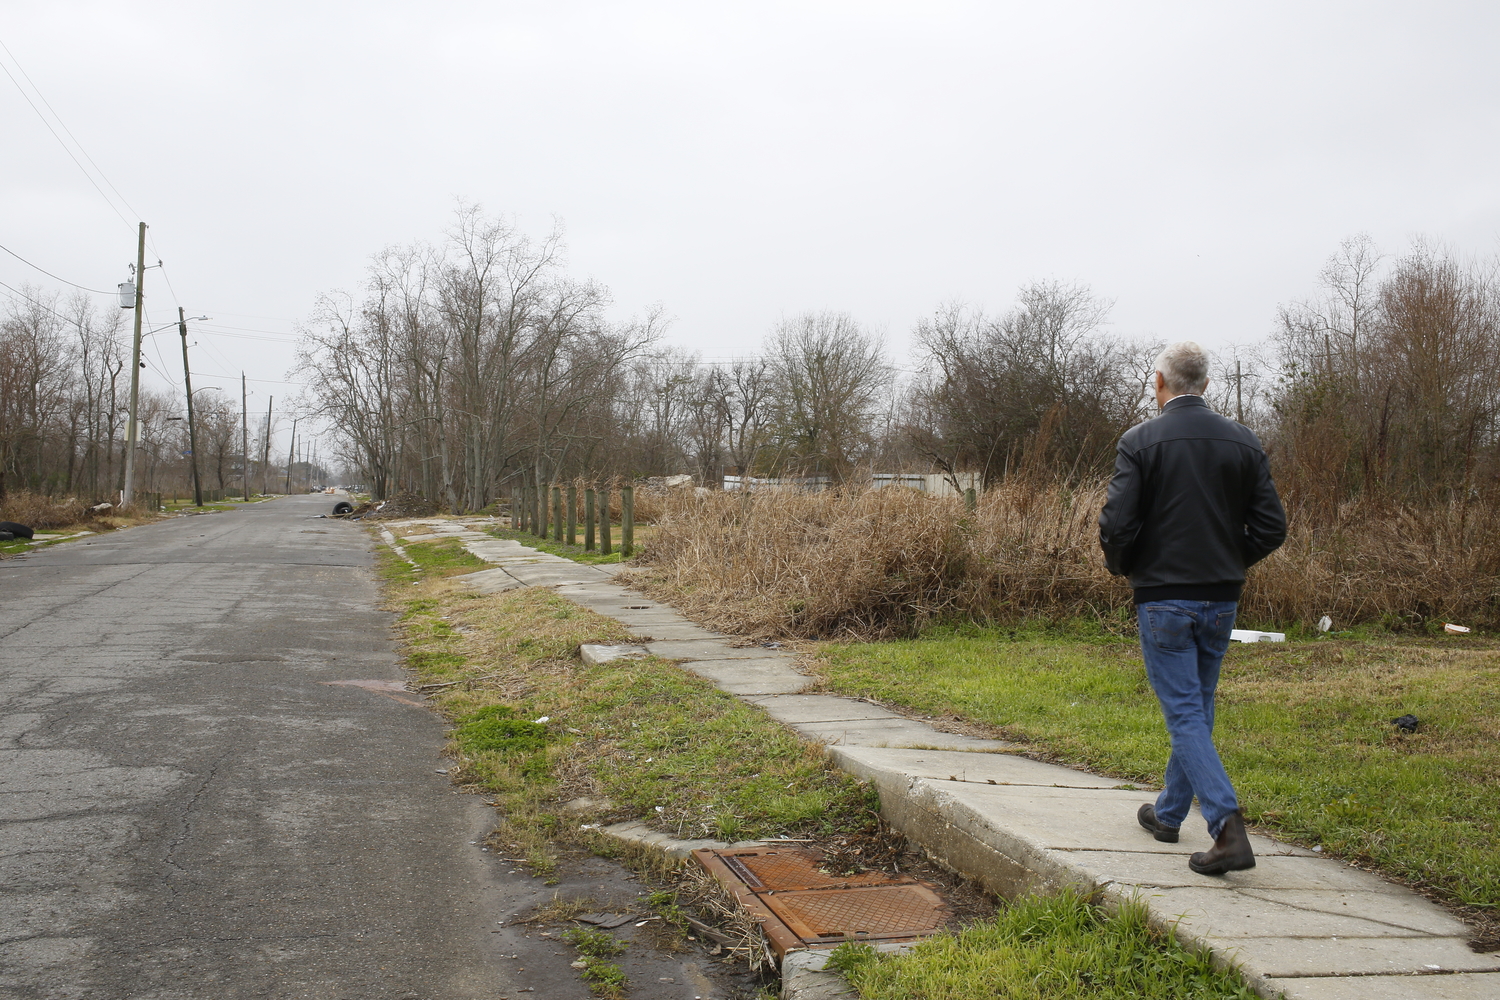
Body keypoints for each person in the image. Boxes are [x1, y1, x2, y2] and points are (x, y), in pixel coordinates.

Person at [1098, 341, 1286, 875]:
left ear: (1159, 382)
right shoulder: (1244, 443)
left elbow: (1116, 523)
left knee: (1184, 711)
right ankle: (1168, 813)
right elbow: (1272, 527)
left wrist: (1126, 566)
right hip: (1222, 597)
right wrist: (1231, 558)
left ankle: (1227, 829)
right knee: (1197, 707)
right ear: (1205, 385)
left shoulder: (1140, 441)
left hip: (1163, 598)